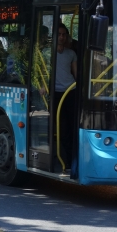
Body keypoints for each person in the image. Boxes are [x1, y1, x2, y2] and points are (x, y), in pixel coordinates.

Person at [40, 24, 77, 169]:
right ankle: (64, 159)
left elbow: (75, 74)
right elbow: (43, 71)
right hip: (55, 93)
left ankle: (71, 159)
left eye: (64, 35)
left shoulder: (71, 54)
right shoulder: (46, 53)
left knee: (72, 126)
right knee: (61, 128)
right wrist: (42, 86)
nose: (61, 37)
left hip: (70, 91)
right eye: (59, 34)